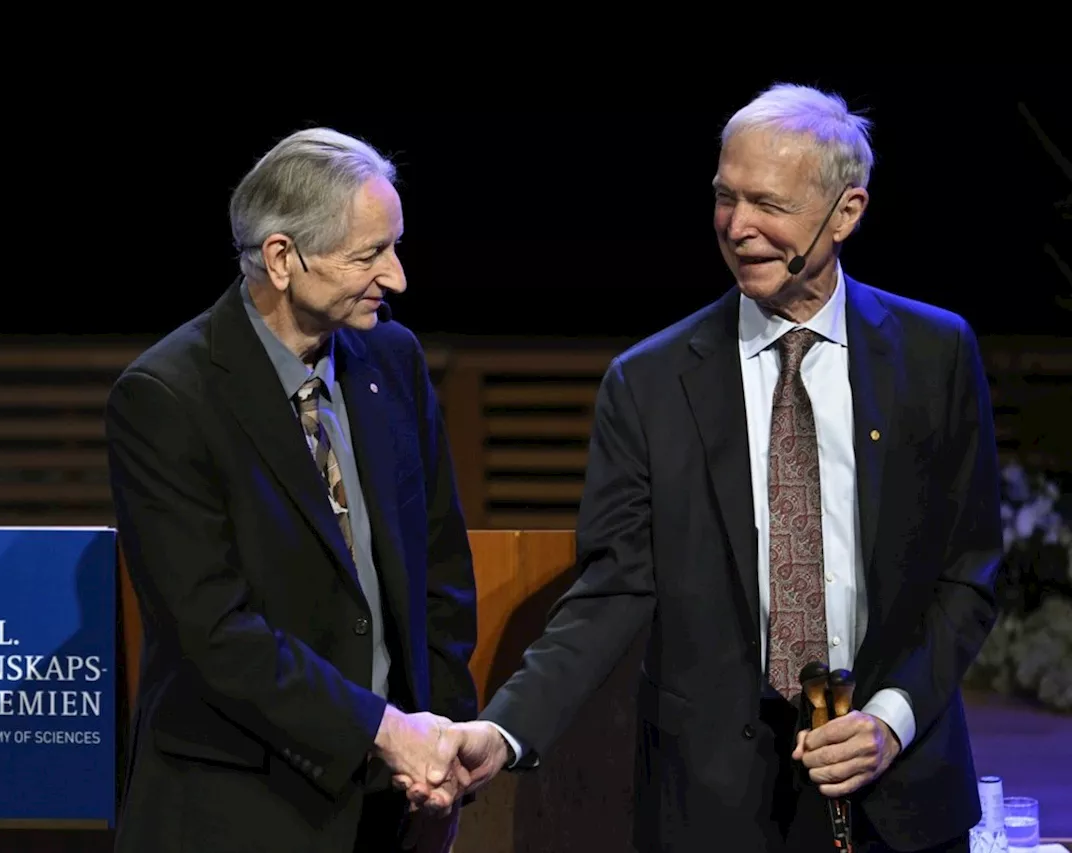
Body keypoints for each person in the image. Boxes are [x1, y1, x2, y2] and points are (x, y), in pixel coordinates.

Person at [417, 83, 1003, 852]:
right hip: (715, 807)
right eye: (725, 198)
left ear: (848, 212)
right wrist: (505, 728)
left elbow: (969, 572)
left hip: (898, 787)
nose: (738, 228)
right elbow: (611, 589)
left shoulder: (936, 354)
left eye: (769, 204)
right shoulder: (649, 381)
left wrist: (891, 719)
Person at [106, 127, 479, 853]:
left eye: (395, 246)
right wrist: (382, 728)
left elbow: (440, 571)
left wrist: (439, 755)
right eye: (371, 254)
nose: (397, 276)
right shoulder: (166, 398)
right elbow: (214, 633)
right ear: (282, 258)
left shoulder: (391, 358)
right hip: (237, 810)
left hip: (391, 805)